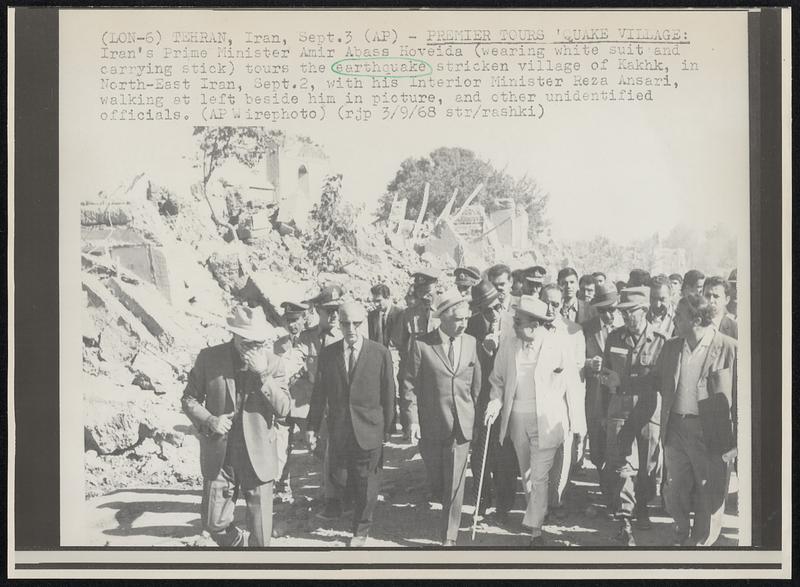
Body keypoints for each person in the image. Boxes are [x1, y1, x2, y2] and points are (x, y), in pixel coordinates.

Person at [182, 305, 291, 547]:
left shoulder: (274, 363)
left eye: (259, 342)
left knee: (261, 536)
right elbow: (189, 399)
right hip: (222, 452)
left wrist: (262, 375)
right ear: (235, 336)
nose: (254, 348)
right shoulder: (209, 358)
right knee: (213, 524)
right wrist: (210, 420)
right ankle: (238, 544)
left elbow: (284, 409)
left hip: (259, 454)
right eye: (248, 342)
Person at [484, 296, 575, 547]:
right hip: (516, 420)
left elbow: (573, 385)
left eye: (519, 321)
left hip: (546, 420)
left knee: (539, 476)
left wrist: (577, 423)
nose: (513, 324)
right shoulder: (508, 344)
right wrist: (495, 402)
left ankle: (535, 530)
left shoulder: (557, 345)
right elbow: (497, 379)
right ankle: (537, 515)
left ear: (535, 324)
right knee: (527, 475)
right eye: (514, 319)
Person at [648, 294, 737, 546]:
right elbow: (655, 380)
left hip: (711, 433)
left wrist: (739, 441)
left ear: (697, 319)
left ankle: (699, 545)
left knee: (708, 492)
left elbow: (744, 398)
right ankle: (681, 528)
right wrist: (622, 383)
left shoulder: (730, 348)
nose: (673, 318)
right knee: (673, 490)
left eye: (679, 315)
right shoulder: (672, 346)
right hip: (675, 428)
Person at [306, 302, 396, 547]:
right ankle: (350, 509)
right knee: (343, 477)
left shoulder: (380, 353)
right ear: (338, 322)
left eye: (355, 323)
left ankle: (361, 528)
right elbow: (319, 394)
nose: (351, 329)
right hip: (340, 430)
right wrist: (311, 427)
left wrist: (388, 428)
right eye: (345, 323)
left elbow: (389, 392)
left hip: (371, 428)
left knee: (367, 481)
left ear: (364, 322)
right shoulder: (328, 354)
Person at [400, 290, 482, 546]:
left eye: (467, 319)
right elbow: (408, 384)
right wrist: (411, 420)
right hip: (432, 425)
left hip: (462, 425)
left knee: (455, 481)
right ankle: (437, 500)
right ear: (443, 319)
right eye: (459, 319)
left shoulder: (471, 342)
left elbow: (476, 385)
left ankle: (449, 535)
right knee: (437, 476)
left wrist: (475, 419)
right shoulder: (422, 345)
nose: (464, 324)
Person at [599, 286, 667, 547]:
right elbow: (605, 374)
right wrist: (607, 394)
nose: (627, 317)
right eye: (623, 313)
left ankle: (643, 507)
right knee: (623, 467)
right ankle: (625, 520)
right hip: (620, 410)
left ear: (645, 310)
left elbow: (663, 380)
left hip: (649, 411)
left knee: (648, 469)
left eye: (632, 312)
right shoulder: (614, 337)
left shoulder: (661, 340)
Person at [466, 280, 518, 522]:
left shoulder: (514, 323)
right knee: (480, 452)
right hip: (480, 395)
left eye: (496, 306)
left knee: (505, 452)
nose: (493, 313)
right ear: (478, 310)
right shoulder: (471, 326)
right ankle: (480, 501)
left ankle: (504, 504)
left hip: (508, 395)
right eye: (486, 310)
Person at [299, 285, 346, 520]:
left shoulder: (347, 335)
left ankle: (335, 500)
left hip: (339, 406)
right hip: (314, 406)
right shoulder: (306, 339)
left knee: (336, 454)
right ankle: (330, 496)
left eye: (337, 309)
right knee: (323, 453)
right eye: (329, 310)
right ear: (318, 310)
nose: (335, 315)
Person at [540, 283, 587, 517]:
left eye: (555, 304)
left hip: (563, 398)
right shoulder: (528, 327)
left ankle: (554, 501)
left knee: (562, 452)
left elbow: (577, 373)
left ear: (562, 306)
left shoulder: (574, 331)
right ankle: (537, 503)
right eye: (545, 302)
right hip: (535, 401)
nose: (550, 309)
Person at [582, 282, 623, 497]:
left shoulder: (626, 327)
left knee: (617, 444)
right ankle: (603, 479)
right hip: (596, 395)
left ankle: (615, 493)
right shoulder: (587, 329)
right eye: (603, 310)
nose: (608, 315)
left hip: (618, 395)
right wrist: (589, 363)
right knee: (597, 444)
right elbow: (574, 359)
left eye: (612, 309)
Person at [273, 301, 312, 503]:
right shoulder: (278, 345)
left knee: (315, 445)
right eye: (288, 321)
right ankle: (282, 487)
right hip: (283, 404)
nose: (292, 325)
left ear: (304, 319)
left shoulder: (311, 341)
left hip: (306, 403)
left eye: (296, 320)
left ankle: (328, 487)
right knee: (281, 446)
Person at [398, 270, 440, 442]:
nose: (425, 297)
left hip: (440, 369)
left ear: (435, 287)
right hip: (417, 370)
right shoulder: (409, 314)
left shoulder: (445, 309)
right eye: (421, 292)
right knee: (419, 409)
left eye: (428, 292)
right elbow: (396, 343)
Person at [368, 283, 405, 433]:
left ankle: (396, 423)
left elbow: (398, 339)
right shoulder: (372, 315)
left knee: (393, 390)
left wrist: (390, 357)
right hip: (378, 358)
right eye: (374, 301)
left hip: (394, 357)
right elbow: (372, 338)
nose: (376, 304)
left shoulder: (399, 313)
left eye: (379, 300)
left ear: (388, 298)